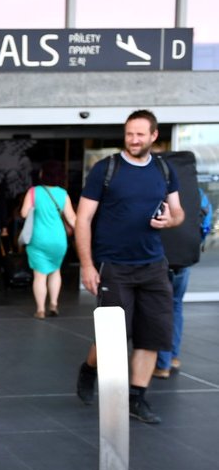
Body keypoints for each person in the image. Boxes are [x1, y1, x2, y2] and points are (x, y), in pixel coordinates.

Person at [74, 109, 184, 424]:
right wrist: (87, 265)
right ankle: (89, 369)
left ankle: (138, 398)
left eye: (139, 134)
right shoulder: (105, 169)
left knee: (152, 336)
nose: (133, 140)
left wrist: (168, 220)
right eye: (129, 134)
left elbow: (178, 213)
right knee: (112, 339)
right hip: (114, 266)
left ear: (153, 136)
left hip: (153, 266)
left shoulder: (164, 169)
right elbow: (83, 219)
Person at [155, 186, 212, 379]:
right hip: (183, 258)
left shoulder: (155, 187)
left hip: (159, 258)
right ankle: (173, 356)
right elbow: (206, 221)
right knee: (176, 305)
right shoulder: (197, 192)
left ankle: (162, 364)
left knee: (159, 308)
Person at [20, 160, 76, 318]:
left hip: (38, 238)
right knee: (55, 271)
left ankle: (40, 310)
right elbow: (72, 218)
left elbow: (24, 213)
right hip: (59, 239)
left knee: (40, 275)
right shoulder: (63, 194)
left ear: (42, 174)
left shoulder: (34, 192)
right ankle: (54, 304)